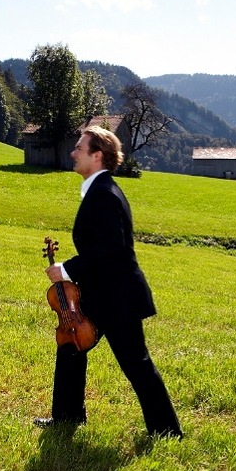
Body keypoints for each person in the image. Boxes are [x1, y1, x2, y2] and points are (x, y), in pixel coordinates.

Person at [38, 126, 183, 438]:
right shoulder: (99, 189)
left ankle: (168, 432)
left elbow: (111, 247)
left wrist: (67, 269)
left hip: (119, 298)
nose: (73, 152)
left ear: (97, 155)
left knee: (136, 364)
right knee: (71, 345)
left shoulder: (103, 193)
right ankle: (66, 416)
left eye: (79, 148)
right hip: (102, 292)